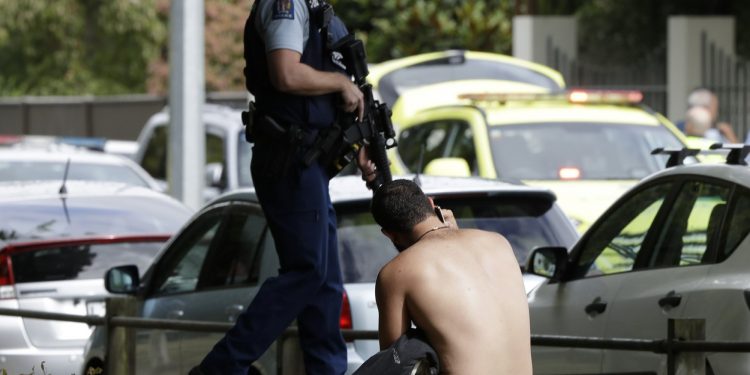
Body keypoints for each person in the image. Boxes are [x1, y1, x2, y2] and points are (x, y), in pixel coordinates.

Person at [191, 0, 369, 374]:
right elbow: (286, 74)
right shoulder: (286, 4)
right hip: (290, 157)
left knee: (323, 281)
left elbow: (337, 92)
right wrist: (339, 83)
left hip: (310, 162)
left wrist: (362, 140)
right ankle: (218, 369)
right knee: (306, 272)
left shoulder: (322, 12)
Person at [356, 179, 533, 374]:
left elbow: (396, 363)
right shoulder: (499, 243)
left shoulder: (396, 273)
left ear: (389, 234)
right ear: (431, 204)